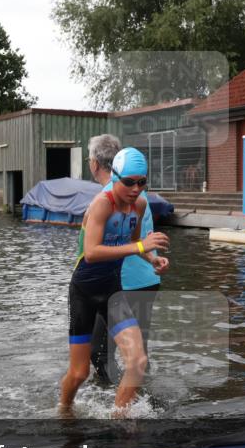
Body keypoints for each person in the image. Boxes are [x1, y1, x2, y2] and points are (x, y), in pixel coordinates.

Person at [61, 147, 169, 415]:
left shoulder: (139, 204)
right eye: (129, 182)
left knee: (138, 361)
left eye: (141, 182)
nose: (135, 188)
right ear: (115, 177)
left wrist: (151, 258)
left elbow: (132, 241)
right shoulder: (102, 204)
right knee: (79, 373)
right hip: (84, 293)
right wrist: (141, 247)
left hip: (112, 291)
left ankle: (117, 419)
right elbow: (92, 252)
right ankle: (64, 410)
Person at [85, 135, 164, 384]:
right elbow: (136, 237)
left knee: (99, 351)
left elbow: (91, 252)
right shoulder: (137, 193)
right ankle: (143, 400)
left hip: (122, 285)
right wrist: (152, 259)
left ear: (93, 163)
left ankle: (117, 402)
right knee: (138, 352)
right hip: (146, 281)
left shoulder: (109, 197)